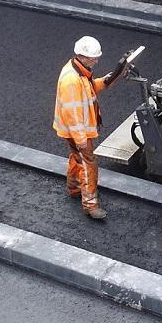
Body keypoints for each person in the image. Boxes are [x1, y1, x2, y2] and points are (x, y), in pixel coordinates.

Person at [53, 36, 116, 220]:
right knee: (89, 163)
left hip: (73, 130)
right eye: (93, 58)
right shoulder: (72, 80)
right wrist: (81, 139)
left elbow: (89, 90)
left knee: (77, 158)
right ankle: (90, 205)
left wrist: (106, 80)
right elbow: (73, 114)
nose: (96, 61)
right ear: (81, 55)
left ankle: (74, 188)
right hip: (76, 131)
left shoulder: (79, 71)